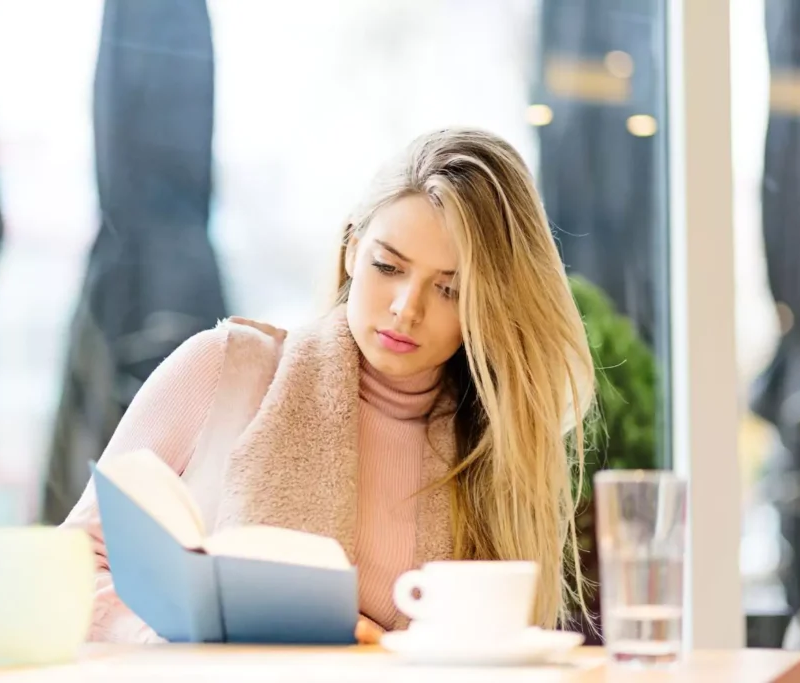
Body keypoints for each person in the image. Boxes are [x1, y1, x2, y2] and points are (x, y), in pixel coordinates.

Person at [61, 128, 596, 645]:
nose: (406, 310)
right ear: (351, 249)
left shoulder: (494, 452)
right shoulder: (227, 369)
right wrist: (182, 641)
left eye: (450, 290)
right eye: (388, 266)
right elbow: (73, 565)